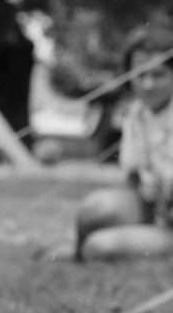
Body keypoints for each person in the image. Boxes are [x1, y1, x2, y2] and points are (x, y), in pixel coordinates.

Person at [74, 25, 173, 261]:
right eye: (140, 75)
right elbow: (133, 177)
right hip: (151, 206)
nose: (148, 84)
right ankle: (77, 252)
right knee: (93, 209)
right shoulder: (136, 114)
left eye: (158, 75)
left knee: (98, 248)